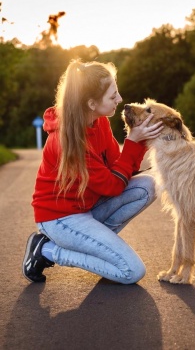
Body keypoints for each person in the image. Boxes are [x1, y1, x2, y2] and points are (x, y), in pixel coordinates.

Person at [22, 59, 163, 284]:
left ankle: (99, 247)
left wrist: (140, 140)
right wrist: (134, 142)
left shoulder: (99, 123)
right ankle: (46, 250)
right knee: (131, 272)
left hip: (88, 206)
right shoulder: (66, 142)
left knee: (149, 186)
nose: (120, 99)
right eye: (112, 96)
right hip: (60, 218)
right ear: (91, 103)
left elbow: (119, 168)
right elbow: (113, 185)